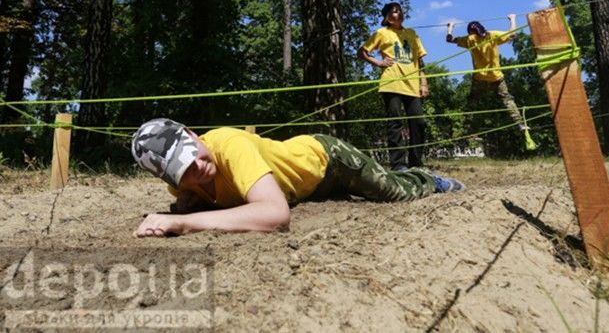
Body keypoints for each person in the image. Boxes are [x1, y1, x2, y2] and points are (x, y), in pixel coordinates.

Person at [131, 118, 465, 237]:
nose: (197, 168)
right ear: (172, 181)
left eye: (193, 155)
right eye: (184, 171)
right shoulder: (183, 185)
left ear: (192, 134)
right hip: (309, 187)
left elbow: (275, 216)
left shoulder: (229, 145)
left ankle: (427, 179)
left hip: (329, 159)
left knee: (393, 192)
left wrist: (187, 223)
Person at [358, 2, 428, 170]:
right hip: (391, 84)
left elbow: (420, 60)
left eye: (400, 11)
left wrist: (423, 83)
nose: (399, 14)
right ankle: (398, 165)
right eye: (394, 12)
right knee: (395, 123)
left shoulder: (412, 33)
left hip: (412, 85)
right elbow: (362, 52)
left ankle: (416, 164)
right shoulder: (381, 33)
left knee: (418, 123)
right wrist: (379, 62)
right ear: (387, 18)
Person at [446, 14, 526, 132]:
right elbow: (512, 34)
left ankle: (466, 127)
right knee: (507, 100)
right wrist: (512, 19)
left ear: (470, 31)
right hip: (496, 77)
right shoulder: (491, 35)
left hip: (480, 78)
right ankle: (520, 124)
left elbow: (449, 39)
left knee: (473, 101)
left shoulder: (469, 39)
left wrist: (450, 27)